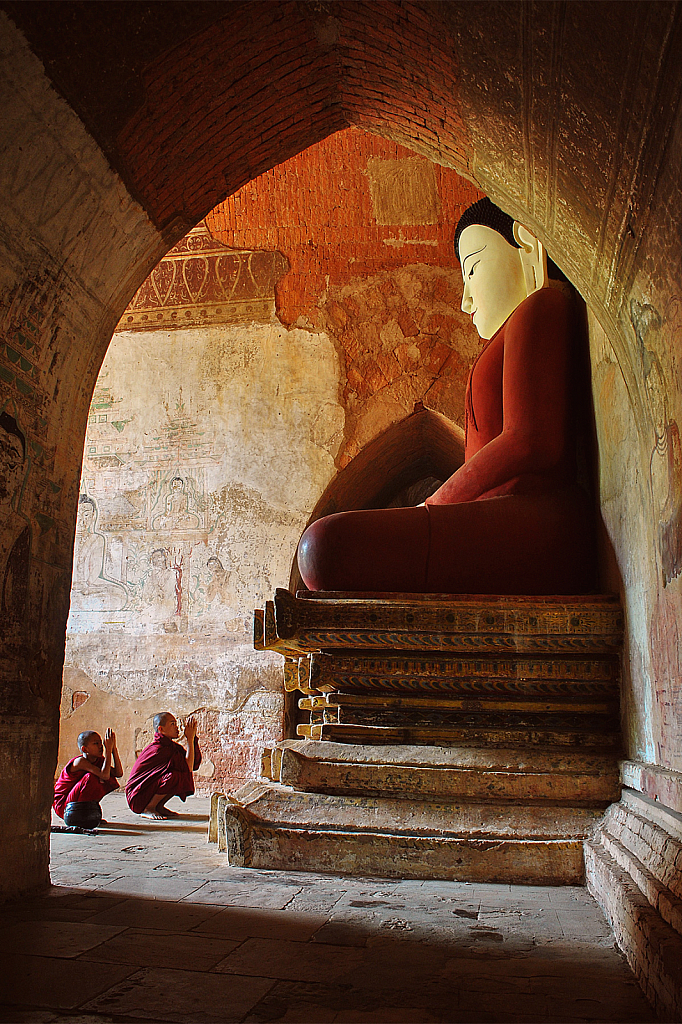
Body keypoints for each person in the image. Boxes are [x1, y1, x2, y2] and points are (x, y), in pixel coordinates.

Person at [297, 198, 595, 595]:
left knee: (324, 547)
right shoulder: (513, 330)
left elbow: (531, 441)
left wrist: (436, 505)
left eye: (473, 269)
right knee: (320, 550)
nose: (465, 300)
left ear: (528, 247)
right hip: (499, 518)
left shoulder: (542, 305)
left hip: (536, 519)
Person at [125, 713, 201, 819]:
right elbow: (188, 767)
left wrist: (192, 739)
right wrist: (189, 740)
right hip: (137, 797)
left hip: (144, 793)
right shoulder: (158, 750)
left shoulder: (171, 747)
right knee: (173, 777)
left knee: (181, 775)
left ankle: (158, 806)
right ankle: (148, 808)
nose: (177, 727)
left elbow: (191, 765)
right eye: (172, 724)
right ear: (161, 729)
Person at [53, 728, 122, 829]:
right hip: (64, 805)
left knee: (104, 775)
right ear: (85, 749)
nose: (101, 746)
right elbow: (104, 775)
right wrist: (107, 752)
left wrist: (113, 749)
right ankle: (81, 814)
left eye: (100, 743)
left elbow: (118, 773)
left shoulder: (99, 760)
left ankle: (89, 813)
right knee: (92, 778)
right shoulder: (80, 762)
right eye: (95, 744)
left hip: (74, 801)